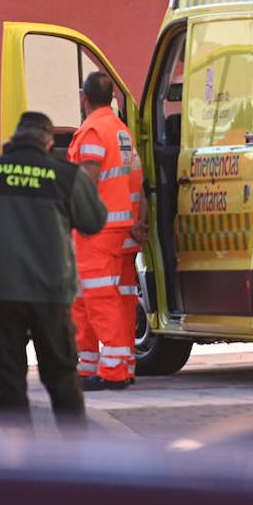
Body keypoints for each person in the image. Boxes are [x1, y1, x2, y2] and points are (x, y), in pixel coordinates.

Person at [0, 112, 107, 428]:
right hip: (51, 291)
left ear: (14, 138)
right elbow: (94, 221)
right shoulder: (65, 175)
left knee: (8, 379)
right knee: (61, 375)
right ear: (48, 142)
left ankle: (19, 459)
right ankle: (75, 457)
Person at [69, 72, 147, 391]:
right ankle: (113, 363)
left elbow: (85, 182)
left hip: (96, 230)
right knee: (119, 297)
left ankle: (112, 369)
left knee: (99, 298)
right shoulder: (121, 132)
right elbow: (137, 179)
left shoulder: (92, 132)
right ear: (113, 98)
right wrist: (141, 220)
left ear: (83, 98)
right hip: (124, 227)